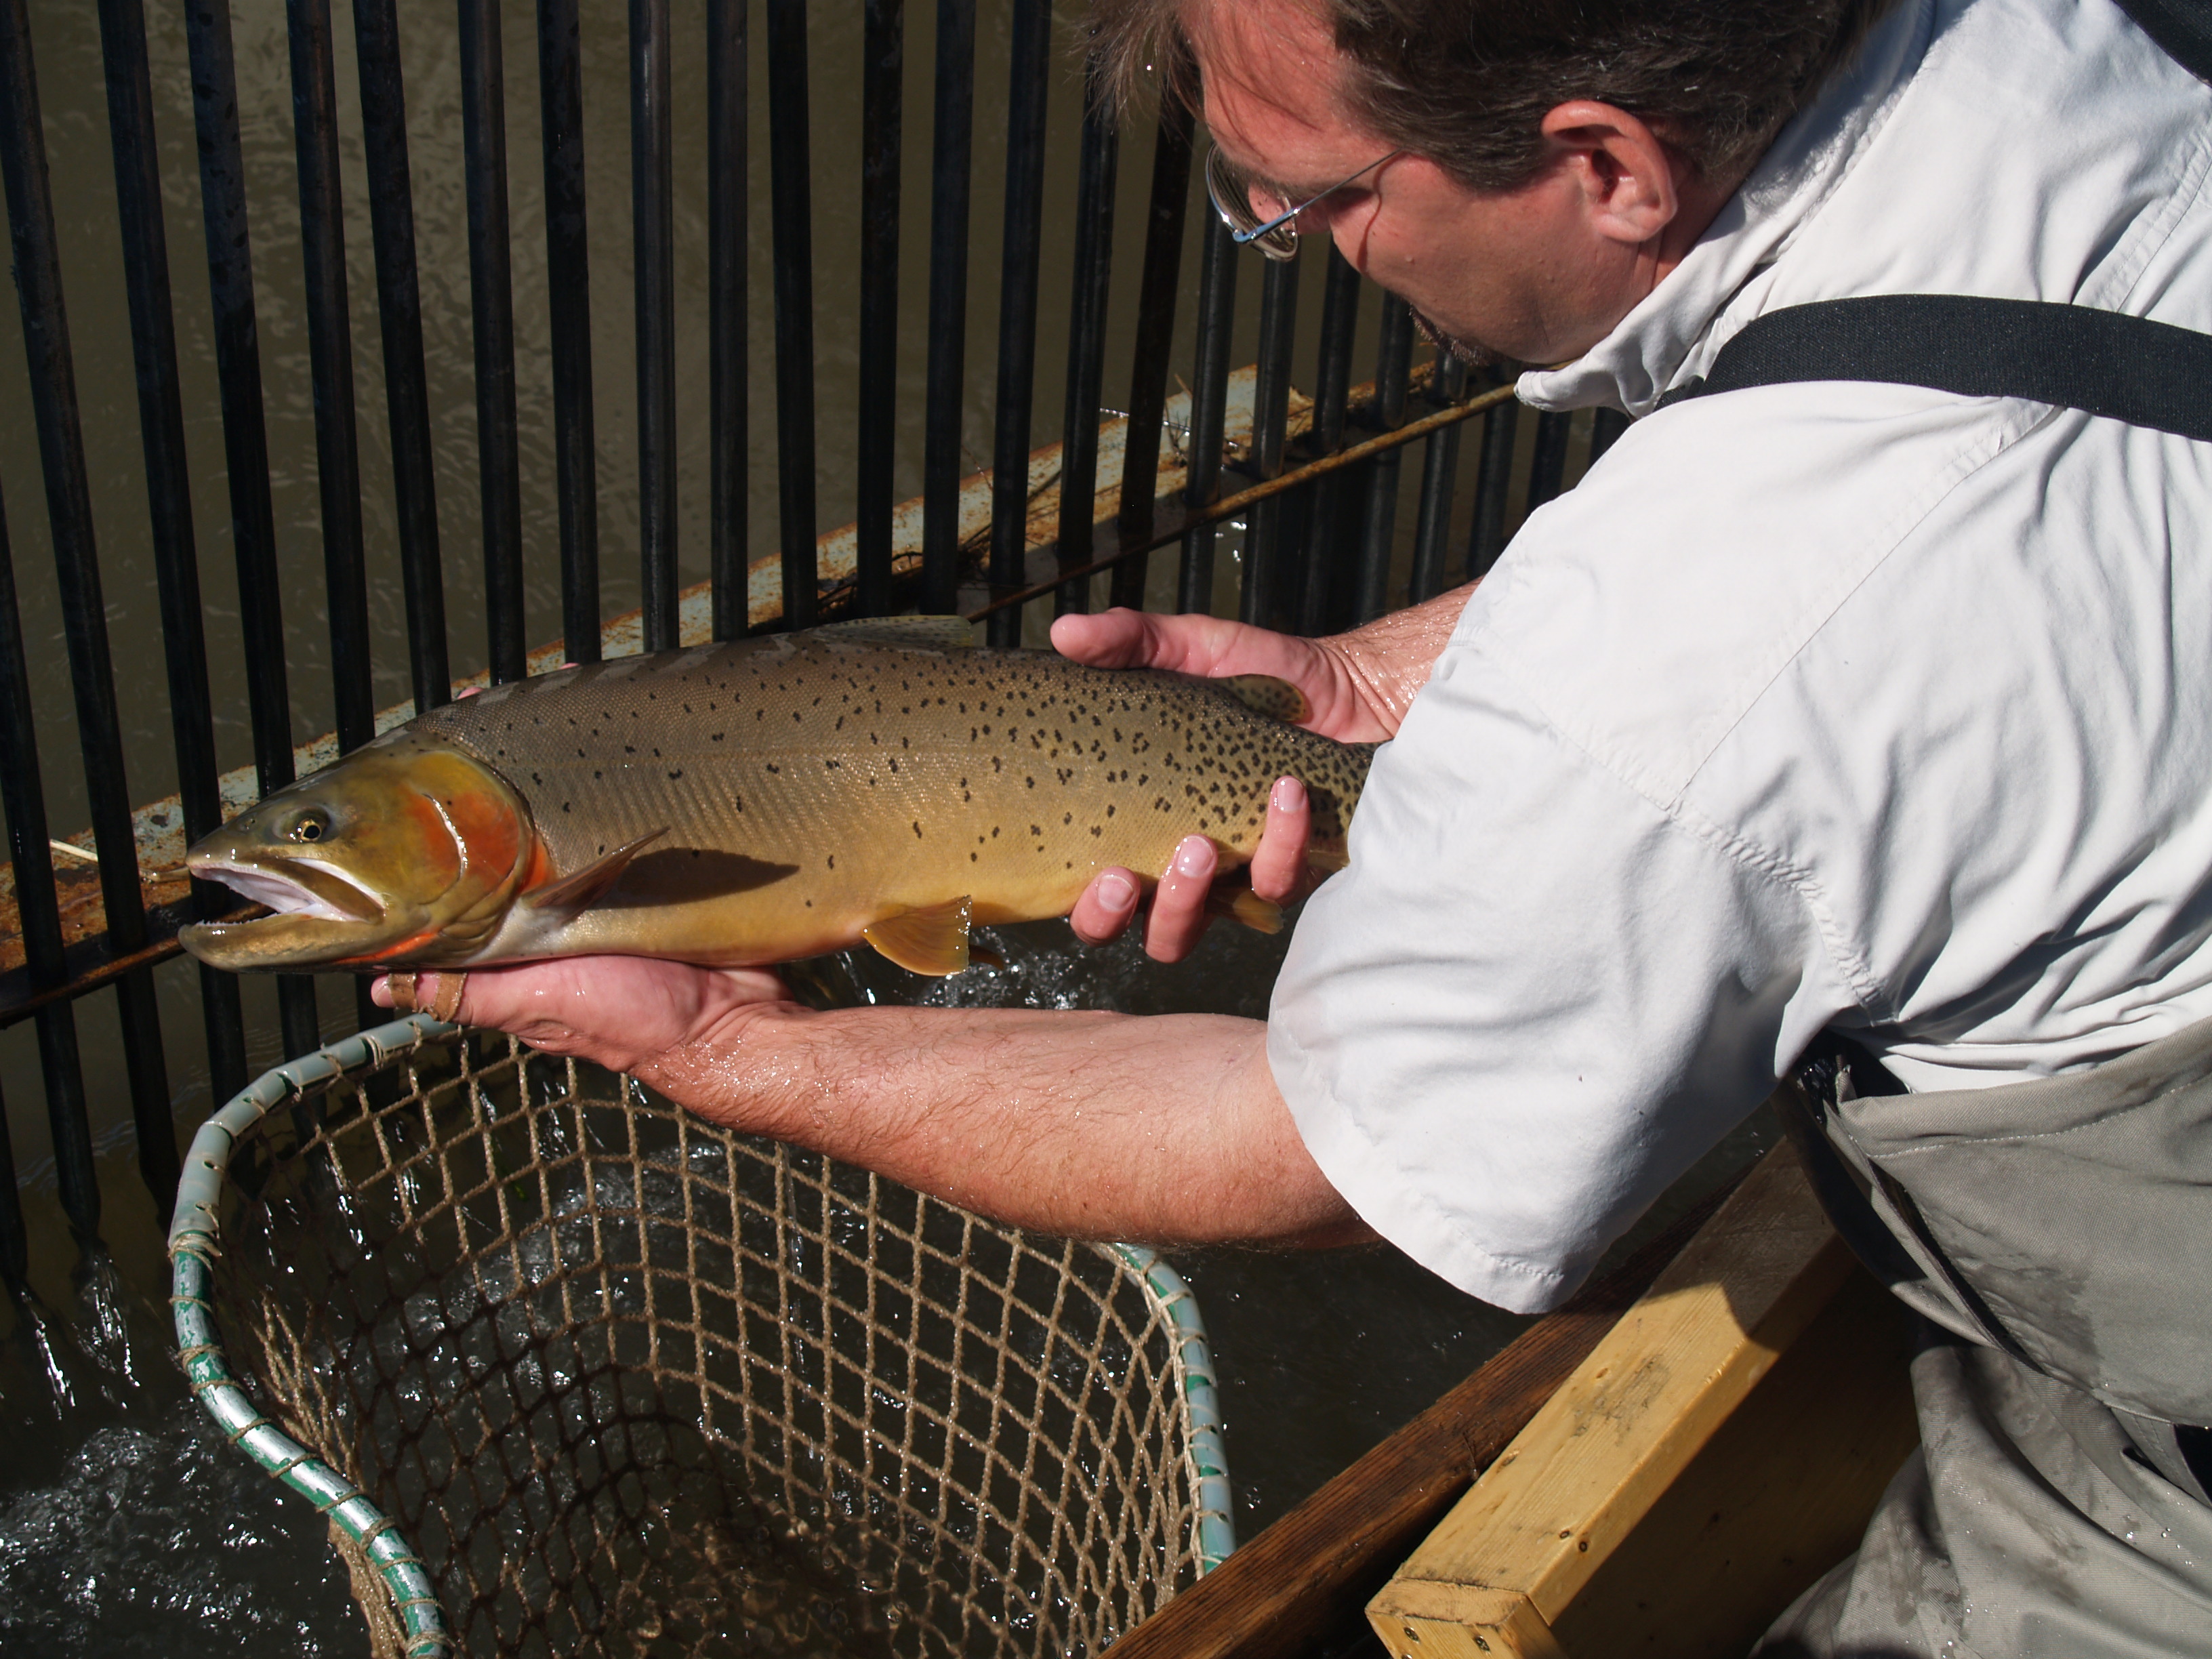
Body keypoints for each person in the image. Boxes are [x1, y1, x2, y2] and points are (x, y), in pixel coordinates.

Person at [377, 0, 2212, 1650]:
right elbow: (1886, 533)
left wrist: (730, 1048)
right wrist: (1358, 692)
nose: (1307, 257)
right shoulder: (2053, 52)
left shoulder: (1676, 653)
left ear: (1606, 166)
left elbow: (1323, 1146)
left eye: (1309, 200)